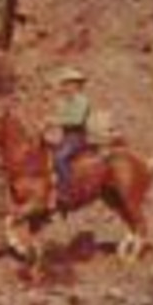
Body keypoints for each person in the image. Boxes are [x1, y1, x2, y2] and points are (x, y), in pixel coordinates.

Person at [50, 66, 91, 209]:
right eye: (64, 84)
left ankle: (68, 190)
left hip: (77, 137)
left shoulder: (82, 101)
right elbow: (59, 117)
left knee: (59, 158)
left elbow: (77, 120)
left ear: (76, 85)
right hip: (65, 137)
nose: (65, 87)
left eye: (68, 83)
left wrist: (57, 121)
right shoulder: (64, 102)